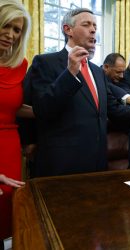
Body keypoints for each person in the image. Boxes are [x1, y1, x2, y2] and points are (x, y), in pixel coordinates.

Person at [29, 8, 130, 177]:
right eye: (86, 25)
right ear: (68, 30)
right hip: (61, 165)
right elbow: (42, 109)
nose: (93, 30)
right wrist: (70, 73)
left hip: (98, 164)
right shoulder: (45, 62)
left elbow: (113, 109)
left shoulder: (98, 72)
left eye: (95, 26)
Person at [0, 0, 32, 242]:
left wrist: (51, 111)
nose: (10, 35)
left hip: (9, 145)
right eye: (6, 26)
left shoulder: (20, 65)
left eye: (17, 30)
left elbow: (12, 105)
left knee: (6, 214)